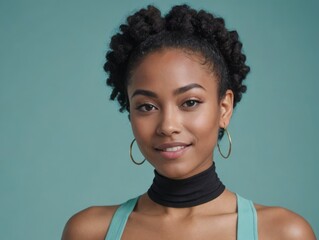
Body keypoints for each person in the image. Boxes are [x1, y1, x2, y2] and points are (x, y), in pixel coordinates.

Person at [62, 4, 316, 240]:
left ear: (224, 108)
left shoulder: (282, 233)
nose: (168, 126)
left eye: (190, 102)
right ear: (130, 112)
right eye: (147, 106)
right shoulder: (89, 232)